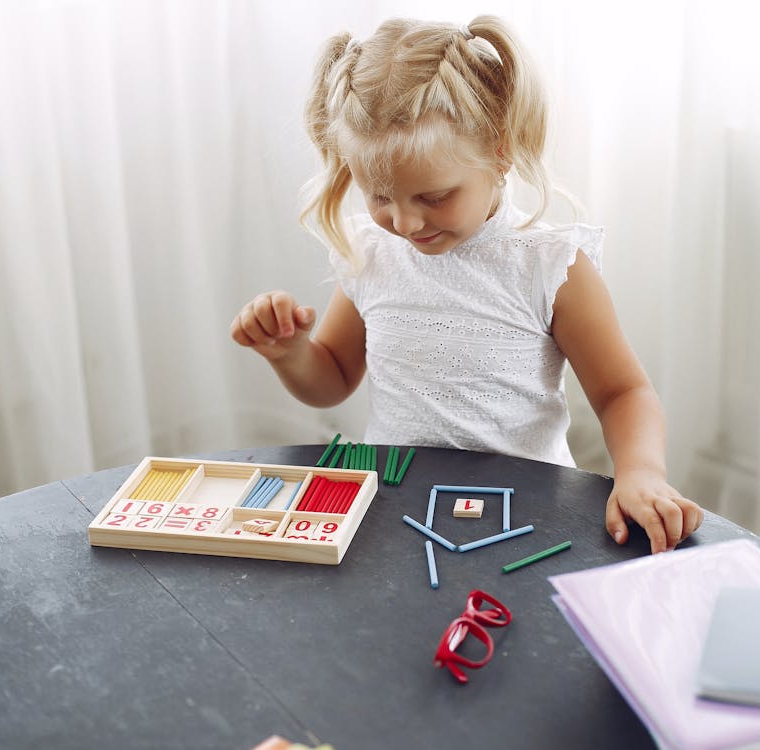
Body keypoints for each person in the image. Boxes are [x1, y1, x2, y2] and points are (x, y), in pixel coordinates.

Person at [230, 15, 702, 553]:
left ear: (499, 150)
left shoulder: (550, 266)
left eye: (433, 197)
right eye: (380, 196)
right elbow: (333, 379)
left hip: (526, 518)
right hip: (396, 514)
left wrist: (640, 471)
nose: (405, 224)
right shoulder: (373, 252)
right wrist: (288, 352)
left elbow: (624, 392)